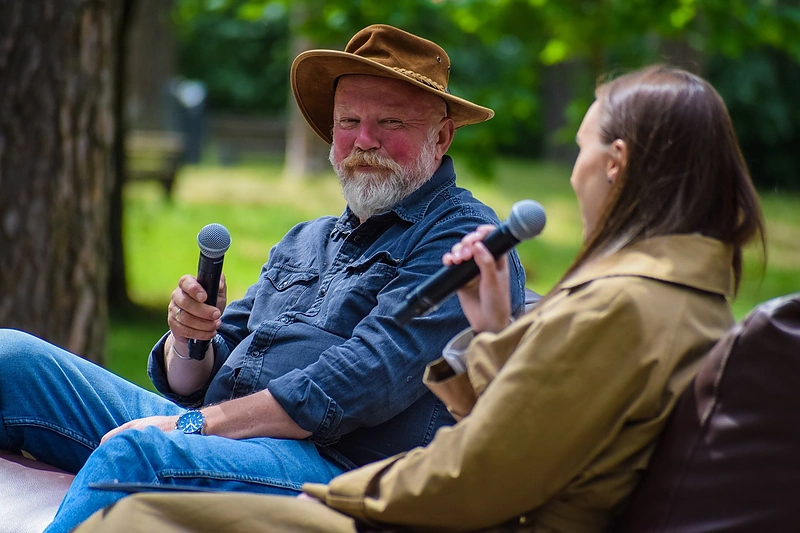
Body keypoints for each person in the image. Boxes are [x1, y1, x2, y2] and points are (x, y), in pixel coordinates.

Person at [74, 64, 765, 533]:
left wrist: (327, 490)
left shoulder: (625, 303)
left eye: (579, 145)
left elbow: (482, 472)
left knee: (140, 498)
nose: (363, 141)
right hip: (362, 474)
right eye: (350, 122)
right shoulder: (676, 292)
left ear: (614, 164)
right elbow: (523, 425)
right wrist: (494, 329)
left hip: (380, 491)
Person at [0, 24, 526, 533]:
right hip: (219, 431)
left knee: (135, 453)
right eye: (348, 122)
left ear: (442, 136)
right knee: (10, 359)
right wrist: (190, 340)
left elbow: (358, 381)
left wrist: (192, 428)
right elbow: (199, 377)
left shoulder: (463, 240)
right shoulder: (307, 238)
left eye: (391, 124)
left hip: (335, 473)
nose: (365, 141)